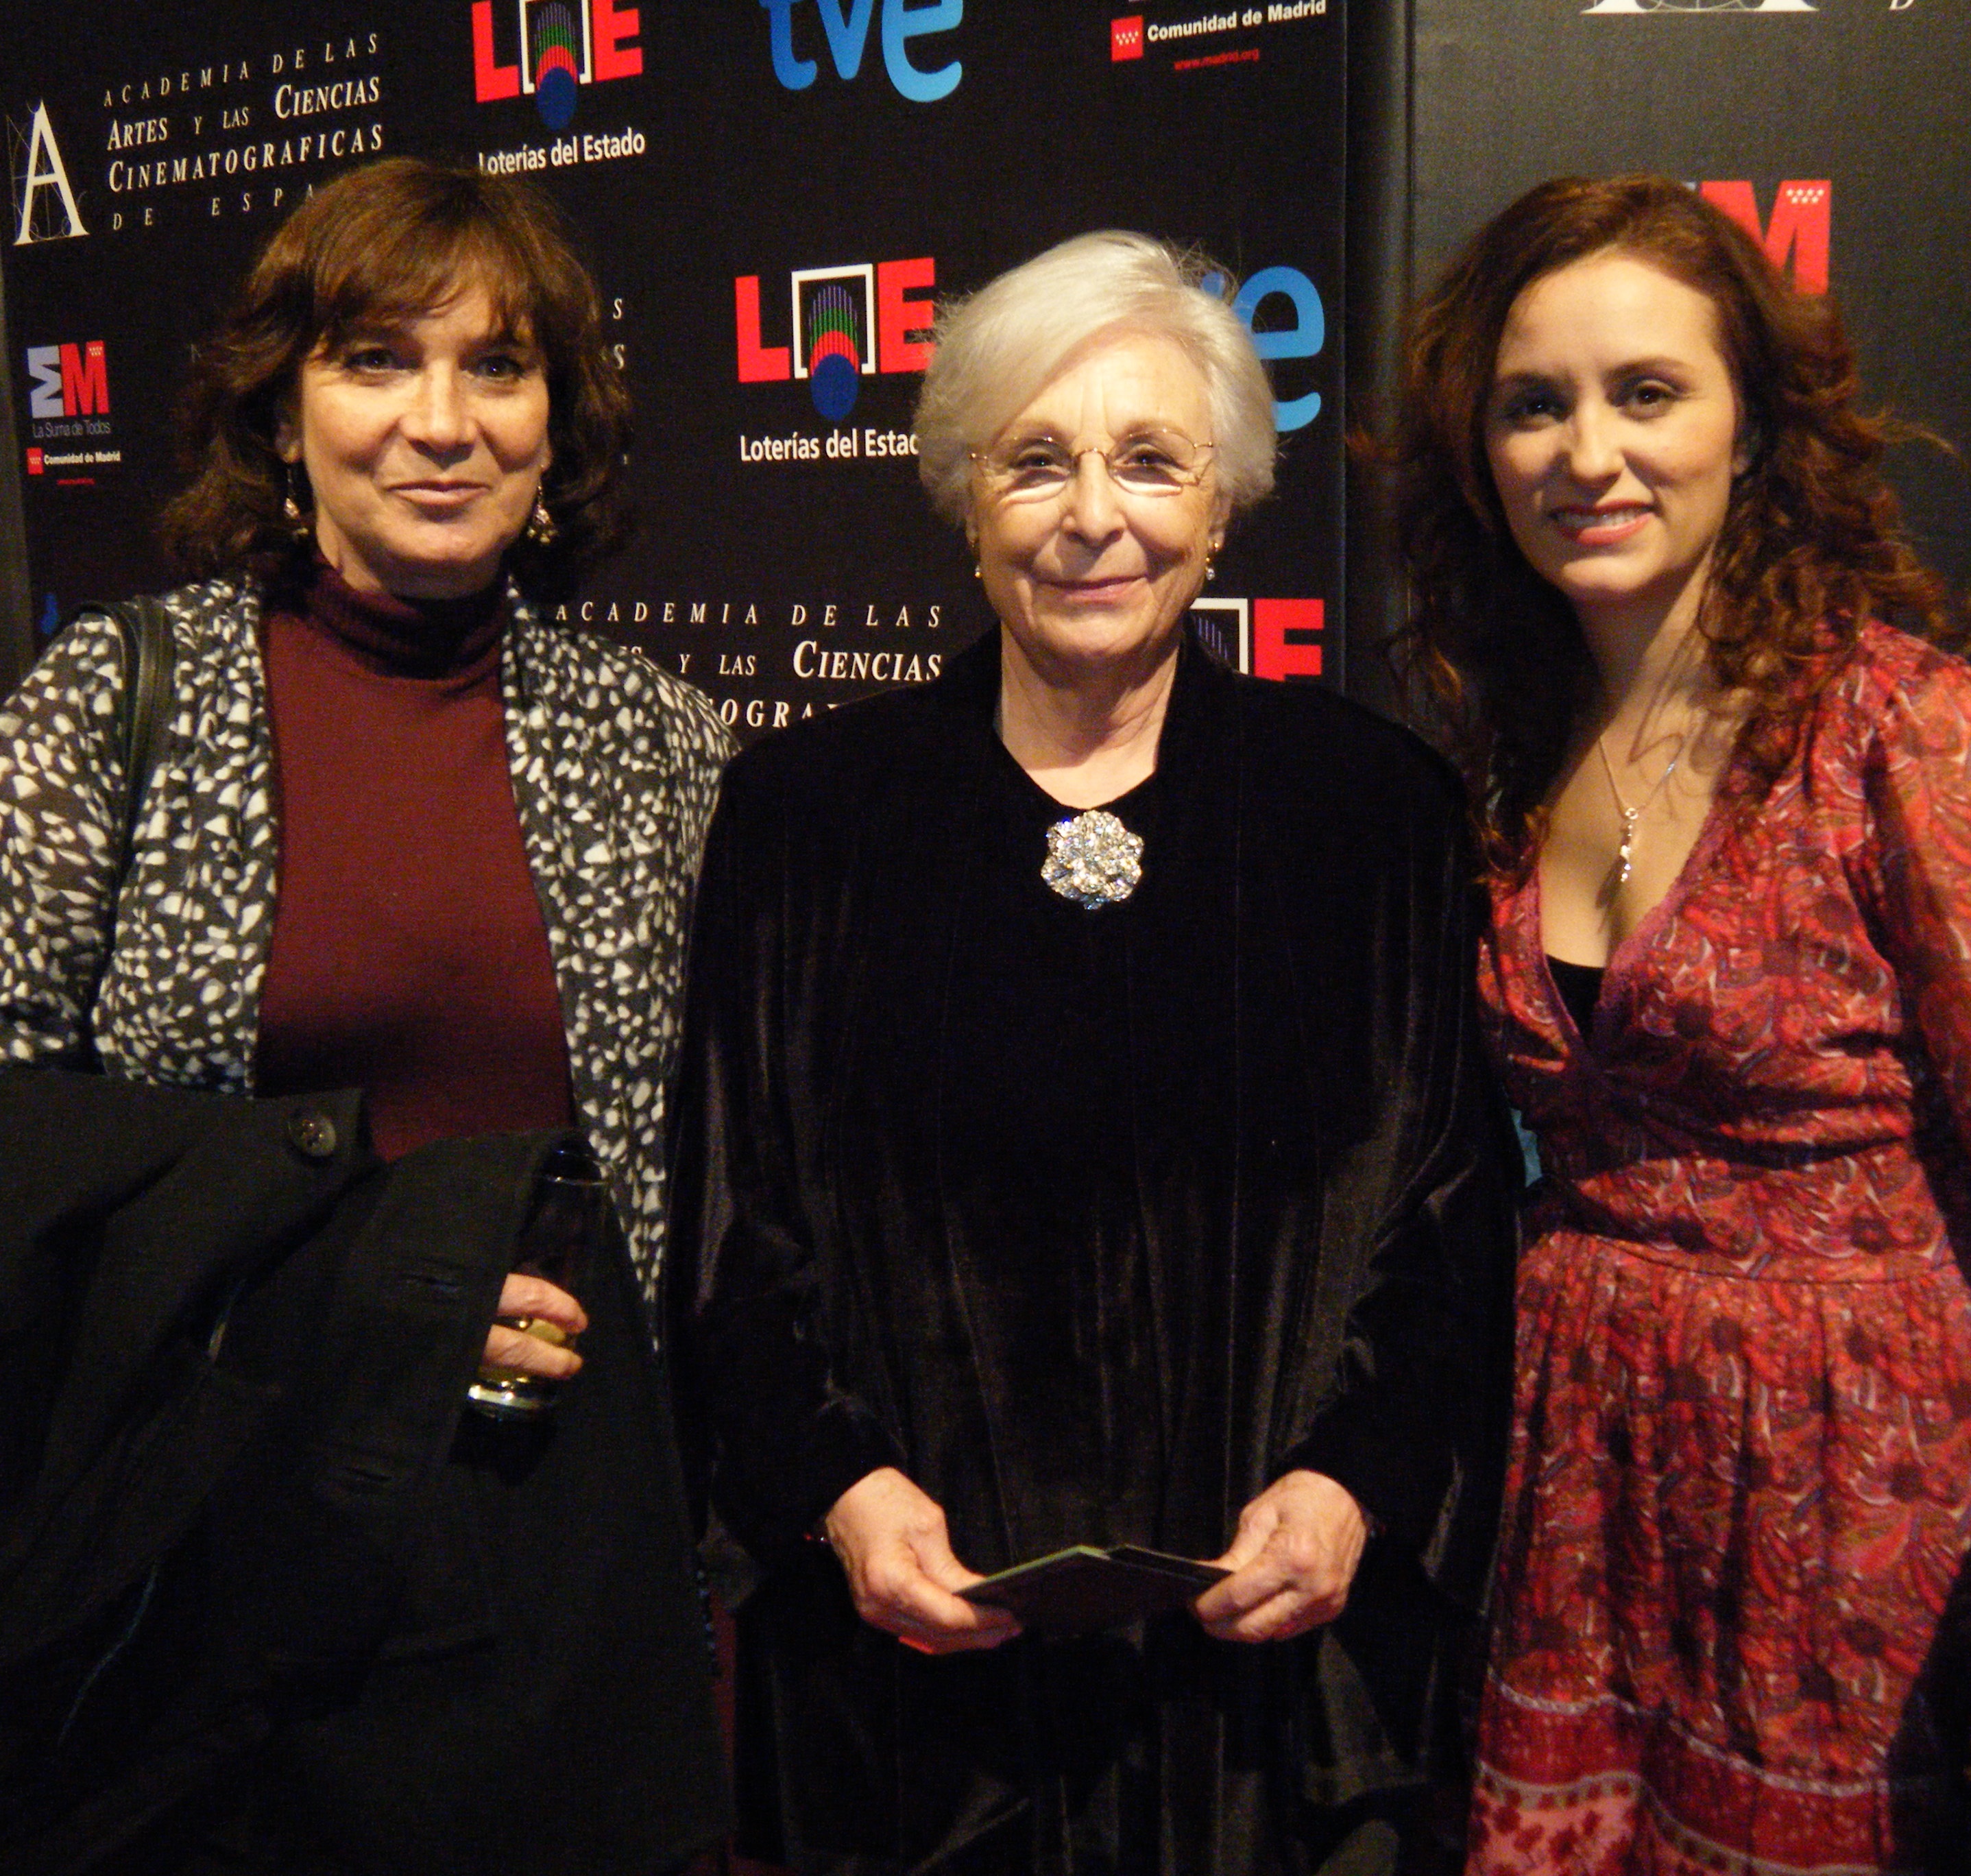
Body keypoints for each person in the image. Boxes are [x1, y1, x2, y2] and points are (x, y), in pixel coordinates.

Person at [0, 156, 732, 1871]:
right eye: (376, 360)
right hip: (203, 1566)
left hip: (551, 1585)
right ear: (283, 412)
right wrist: (375, 1296)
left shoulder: (662, 745)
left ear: (560, 424)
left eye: (498, 366)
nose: (441, 420)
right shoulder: (115, 705)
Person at [1388, 173, 1971, 1875]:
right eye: (1532, 406)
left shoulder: (1904, 732)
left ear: (1752, 431)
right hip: (1579, 1480)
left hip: (1862, 1503)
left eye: (1647, 393)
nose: (1584, 453)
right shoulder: (1508, 745)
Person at [668, 230, 1520, 1876]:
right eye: (1035, 461)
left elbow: (1452, 1211)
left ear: (1222, 506)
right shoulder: (810, 818)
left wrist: (1356, 1484)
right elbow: (729, 1222)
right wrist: (841, 1493)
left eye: (1148, 461)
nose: (1091, 517)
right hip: (919, 1702)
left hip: (1277, 1701)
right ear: (964, 497)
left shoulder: (1370, 813)